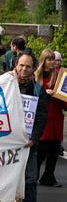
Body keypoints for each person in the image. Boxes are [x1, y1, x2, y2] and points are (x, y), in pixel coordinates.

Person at [11, 51, 47, 202]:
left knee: (30, 181)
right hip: (7, 143)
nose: (24, 69)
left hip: (28, 144)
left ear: (33, 69)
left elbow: (41, 117)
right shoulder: (6, 86)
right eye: (21, 65)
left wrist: (34, 138)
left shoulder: (39, 90)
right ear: (16, 66)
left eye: (28, 66)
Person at [35, 49, 66, 187]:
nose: (52, 62)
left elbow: (64, 99)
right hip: (42, 118)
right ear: (43, 61)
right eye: (49, 59)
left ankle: (48, 177)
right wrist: (44, 93)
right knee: (41, 151)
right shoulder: (36, 76)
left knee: (54, 151)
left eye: (53, 59)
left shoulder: (59, 77)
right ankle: (32, 176)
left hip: (56, 117)